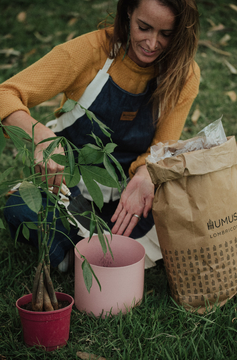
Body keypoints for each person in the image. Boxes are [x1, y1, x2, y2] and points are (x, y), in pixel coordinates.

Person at [0, 0, 200, 271]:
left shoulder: (183, 73)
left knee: (190, 209)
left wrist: (145, 174)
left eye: (166, 34)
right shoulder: (90, 51)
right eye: (144, 28)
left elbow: (161, 148)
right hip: (67, 190)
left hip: (127, 197)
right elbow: (5, 94)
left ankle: (80, 254)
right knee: (21, 209)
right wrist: (41, 137)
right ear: (128, 12)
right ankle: (100, 256)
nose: (152, 44)